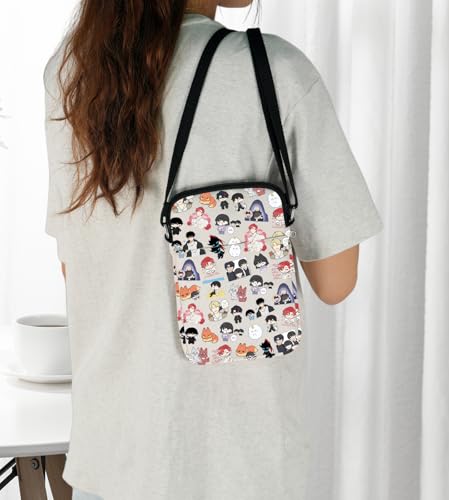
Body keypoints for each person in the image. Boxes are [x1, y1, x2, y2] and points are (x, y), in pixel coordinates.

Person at [43, 1, 383, 499]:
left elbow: (76, 269)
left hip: (112, 458)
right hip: (241, 462)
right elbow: (336, 281)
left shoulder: (72, 71)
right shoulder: (273, 73)